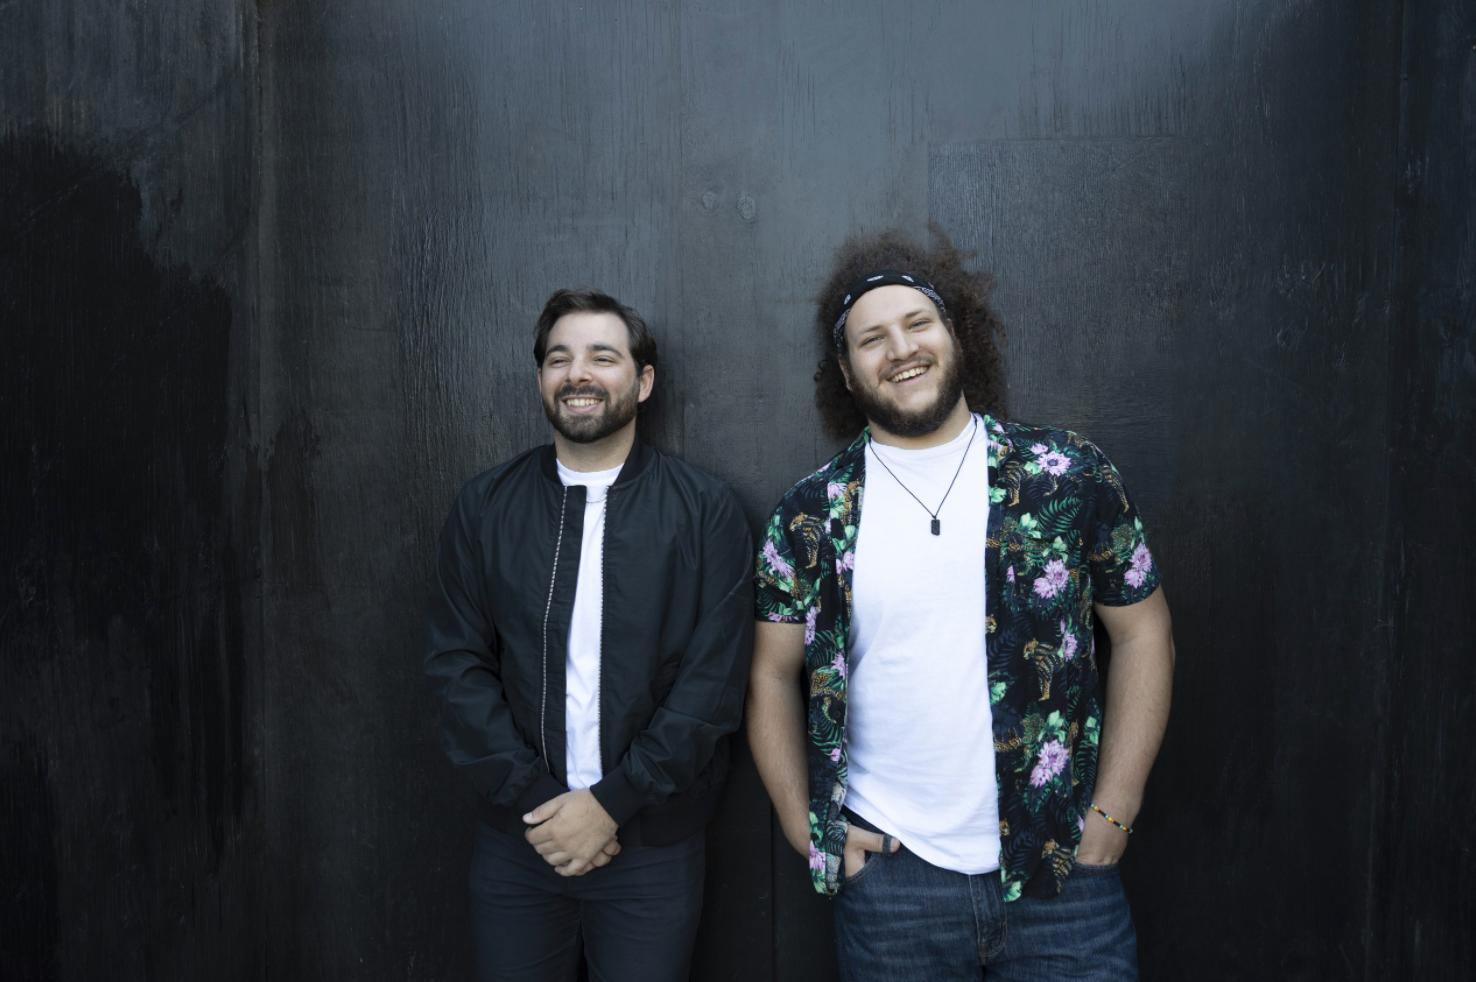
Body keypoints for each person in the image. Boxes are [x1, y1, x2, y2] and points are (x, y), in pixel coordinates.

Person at [746, 231, 1176, 981]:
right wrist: (805, 828)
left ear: (955, 334)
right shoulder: (812, 514)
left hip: (1063, 871)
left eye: (918, 323)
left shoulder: (1065, 474)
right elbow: (770, 675)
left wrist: (1116, 808)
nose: (901, 349)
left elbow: (1144, 632)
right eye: (871, 339)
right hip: (893, 886)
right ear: (846, 371)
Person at [425, 288, 754, 982]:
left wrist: (611, 806)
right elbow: (456, 668)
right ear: (542, 379)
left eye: (602, 357)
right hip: (520, 847)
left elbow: (712, 688)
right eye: (559, 358)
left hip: (652, 851)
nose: (578, 373)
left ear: (643, 380)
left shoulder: (705, 512)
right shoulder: (485, 506)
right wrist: (541, 806)